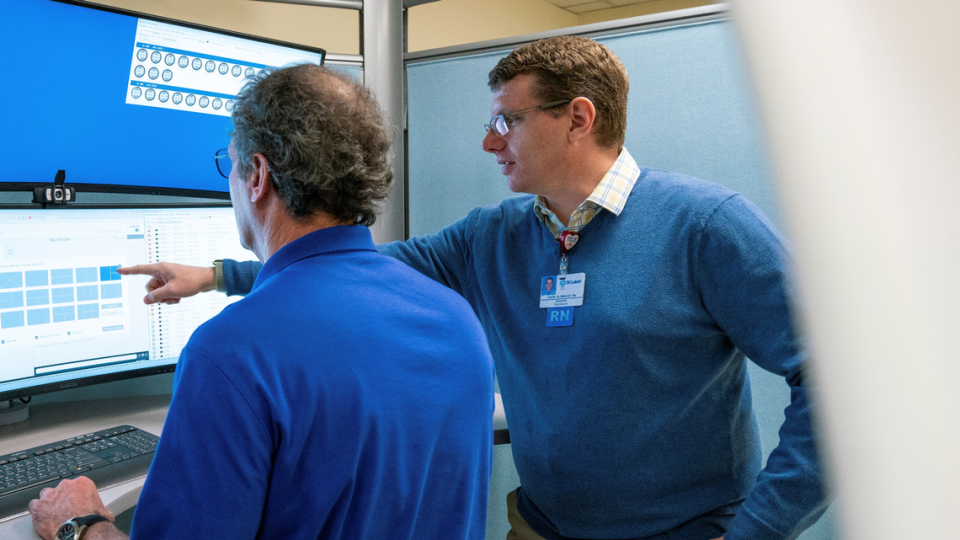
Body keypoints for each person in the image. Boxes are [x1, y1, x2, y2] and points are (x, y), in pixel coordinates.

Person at [106, 36, 830, 540]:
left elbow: (843, 384)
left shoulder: (705, 226)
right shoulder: (499, 236)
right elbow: (357, 268)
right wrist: (218, 276)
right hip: (540, 528)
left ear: (579, 118)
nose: (488, 142)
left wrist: (758, 533)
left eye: (507, 121)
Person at [27, 64, 496, 540]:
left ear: (258, 177)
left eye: (229, 164)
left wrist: (79, 524)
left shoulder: (233, 352)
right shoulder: (456, 318)